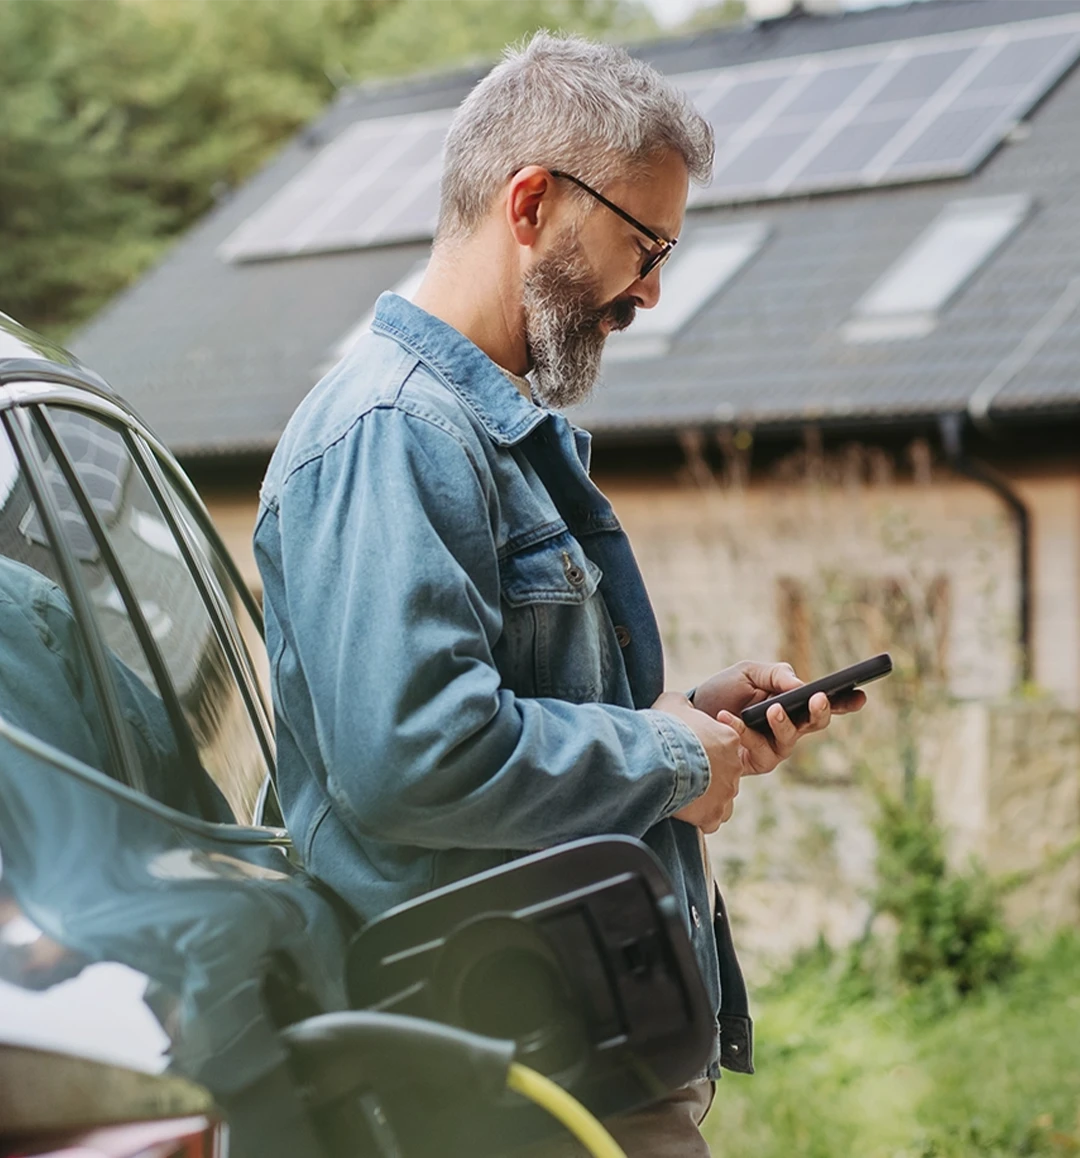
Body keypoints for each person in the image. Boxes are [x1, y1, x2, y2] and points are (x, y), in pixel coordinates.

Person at [255, 31, 864, 1155]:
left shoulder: (479, 434)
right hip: (492, 1088)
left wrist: (689, 722)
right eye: (643, 242)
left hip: (569, 1059)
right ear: (531, 201)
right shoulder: (394, 431)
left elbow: (505, 713)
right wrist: (670, 757)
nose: (653, 289)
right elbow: (415, 755)